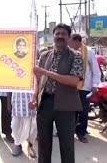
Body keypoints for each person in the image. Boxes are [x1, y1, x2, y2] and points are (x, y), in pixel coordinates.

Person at [30, 23, 84, 163]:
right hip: (45, 102)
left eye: (63, 34)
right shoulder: (44, 55)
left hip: (66, 105)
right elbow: (38, 79)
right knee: (43, 144)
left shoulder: (75, 56)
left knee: (67, 145)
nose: (60, 36)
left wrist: (46, 72)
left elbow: (73, 81)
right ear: (53, 36)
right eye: (57, 34)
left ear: (68, 37)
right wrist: (34, 97)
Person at [68, 34, 101, 143]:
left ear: (77, 41)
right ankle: (68, 131)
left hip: (85, 87)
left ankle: (81, 133)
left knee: (83, 111)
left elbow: (96, 70)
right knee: (71, 111)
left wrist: (95, 85)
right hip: (72, 87)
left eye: (71, 41)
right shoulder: (70, 52)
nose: (70, 43)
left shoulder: (89, 53)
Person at [8, 92, 37, 158]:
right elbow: (9, 85)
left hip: (31, 99)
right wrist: (8, 102)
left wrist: (36, 99)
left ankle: (30, 145)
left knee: (32, 125)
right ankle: (17, 144)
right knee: (15, 125)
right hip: (17, 101)